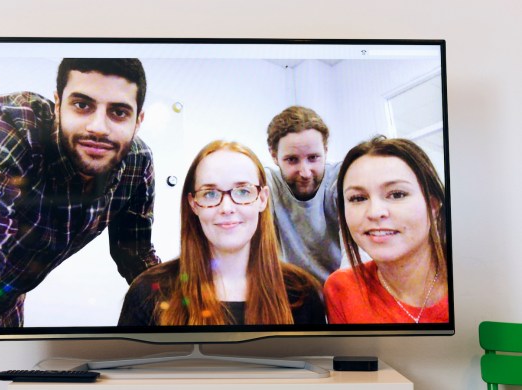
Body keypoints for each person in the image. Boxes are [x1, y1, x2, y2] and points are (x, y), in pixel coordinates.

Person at [0, 58, 160, 327]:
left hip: (10, 303)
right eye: (82, 105)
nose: (98, 128)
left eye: (118, 112)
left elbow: (134, 253)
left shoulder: (137, 161)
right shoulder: (13, 130)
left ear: (138, 120)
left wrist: (177, 302)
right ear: (58, 105)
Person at [118, 140, 325, 326]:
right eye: (210, 193)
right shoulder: (148, 292)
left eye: (243, 191)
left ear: (262, 199)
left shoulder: (302, 293)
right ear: (193, 204)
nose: (227, 208)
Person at [323, 136, 449, 324]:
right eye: (358, 198)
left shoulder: (475, 281)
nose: (375, 212)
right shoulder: (341, 290)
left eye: (397, 194)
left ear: (432, 205)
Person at [265, 106, 341, 285]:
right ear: (274, 156)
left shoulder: (341, 179)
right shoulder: (268, 185)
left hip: (343, 291)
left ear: (326, 151)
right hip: (296, 296)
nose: (305, 172)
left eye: (313, 157)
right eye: (292, 160)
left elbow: (360, 253)